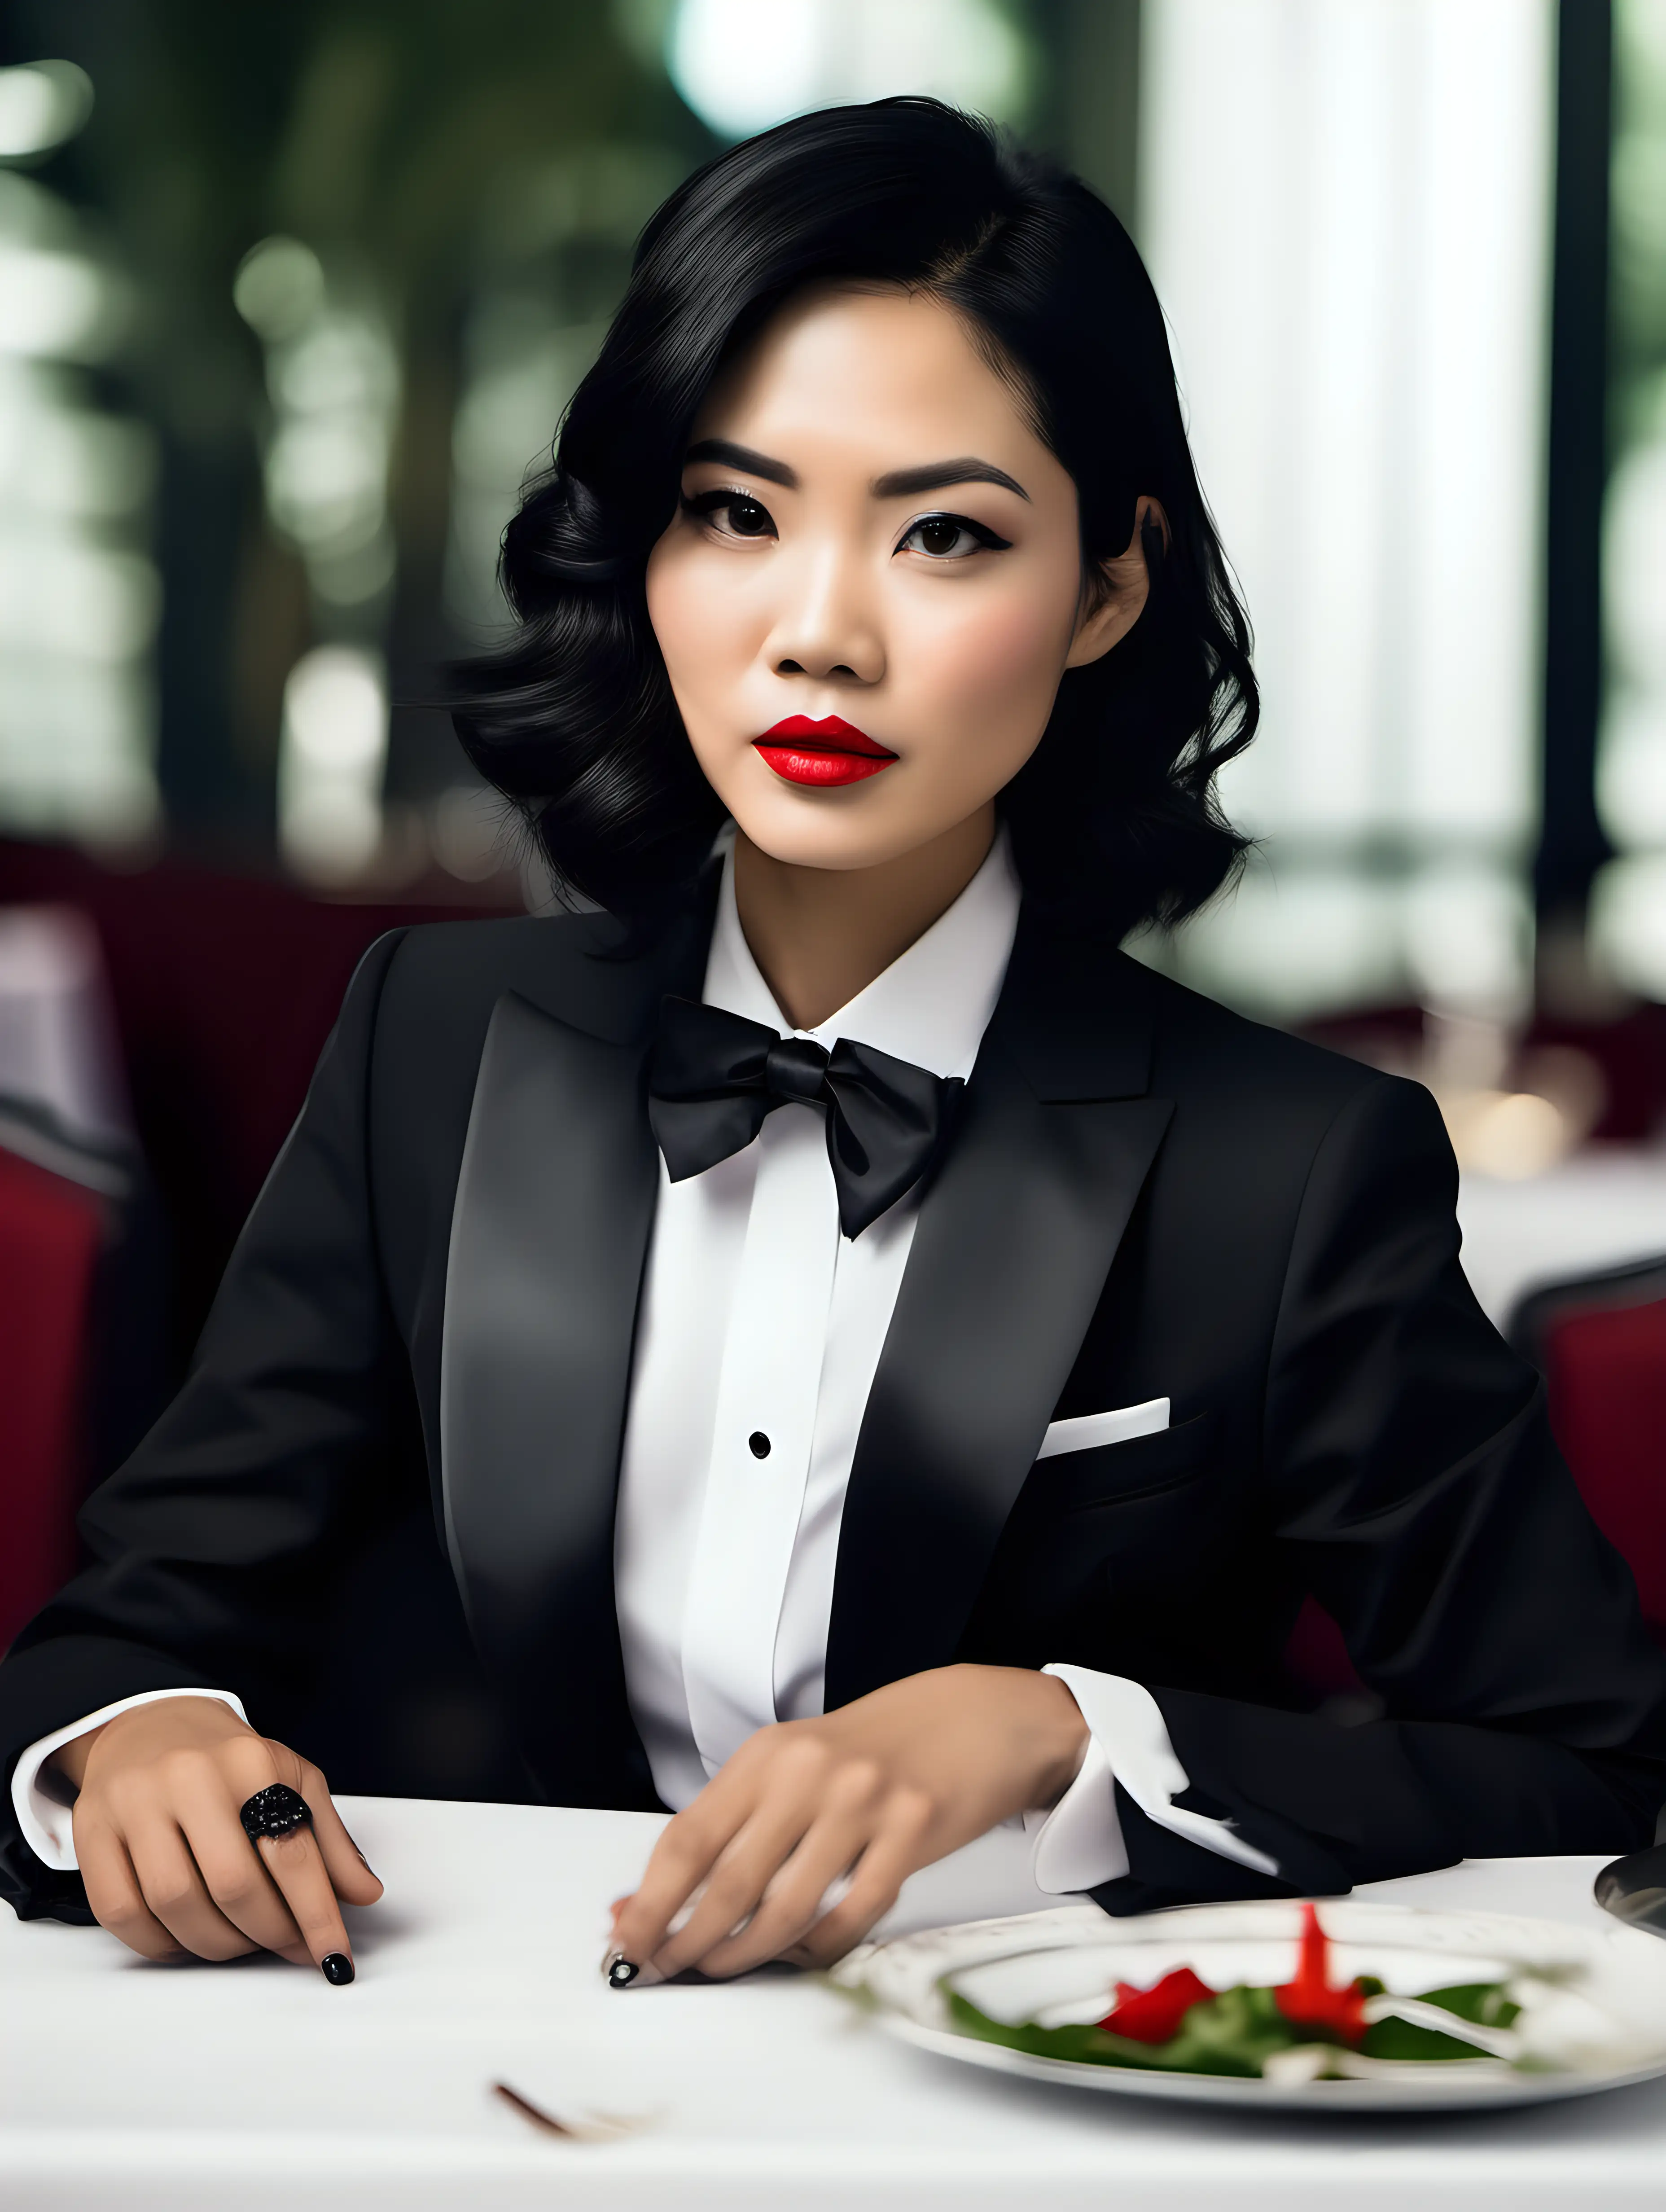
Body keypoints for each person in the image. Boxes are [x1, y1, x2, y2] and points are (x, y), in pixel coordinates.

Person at [3, 99, 1662, 1992]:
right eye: (734, 512)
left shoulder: (1287, 1165)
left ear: (1107, 587)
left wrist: (1060, 1727)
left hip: (1033, 2100)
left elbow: (1594, 1764)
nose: (819, 630)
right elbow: (132, 1623)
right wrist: (135, 1737)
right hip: (480, 2055)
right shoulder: (430, 1047)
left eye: (944, 534)